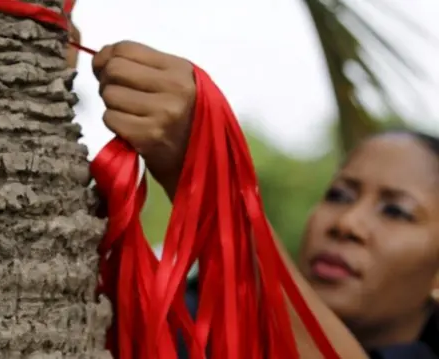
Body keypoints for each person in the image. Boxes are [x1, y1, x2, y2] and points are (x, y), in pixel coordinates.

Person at [85, 40, 439, 358]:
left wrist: (204, 169)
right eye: (339, 195)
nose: (346, 224)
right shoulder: (180, 314)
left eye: (396, 211)